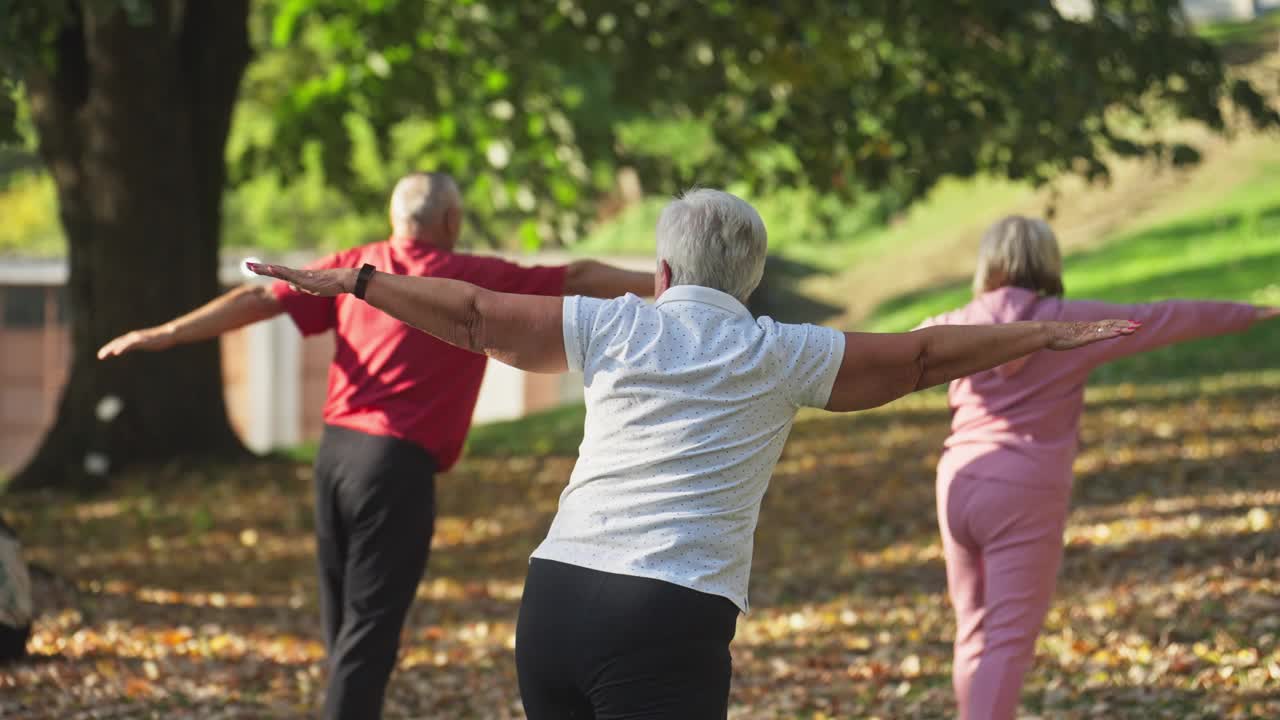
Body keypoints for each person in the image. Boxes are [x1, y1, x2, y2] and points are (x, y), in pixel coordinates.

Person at [246, 189, 1140, 719]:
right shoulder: (782, 352)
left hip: (551, 605)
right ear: (750, 280)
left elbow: (475, 315)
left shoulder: (611, 326)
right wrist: (1042, 336)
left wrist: (360, 279)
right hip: (664, 619)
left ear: (663, 273)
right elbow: (917, 357)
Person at [97, 172, 653, 719]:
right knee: (367, 638)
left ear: (395, 219)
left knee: (344, 631)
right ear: (451, 220)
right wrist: (669, 283)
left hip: (333, 459)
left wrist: (164, 334)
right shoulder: (467, 276)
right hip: (393, 467)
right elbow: (577, 273)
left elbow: (258, 299)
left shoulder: (358, 266)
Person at [914, 215, 1280, 720]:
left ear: (988, 265)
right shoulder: (1073, 324)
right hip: (1024, 488)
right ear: (1048, 262)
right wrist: (1251, 312)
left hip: (958, 482)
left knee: (972, 629)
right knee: (1008, 641)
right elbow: (1163, 317)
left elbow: (893, 354)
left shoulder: (952, 324)